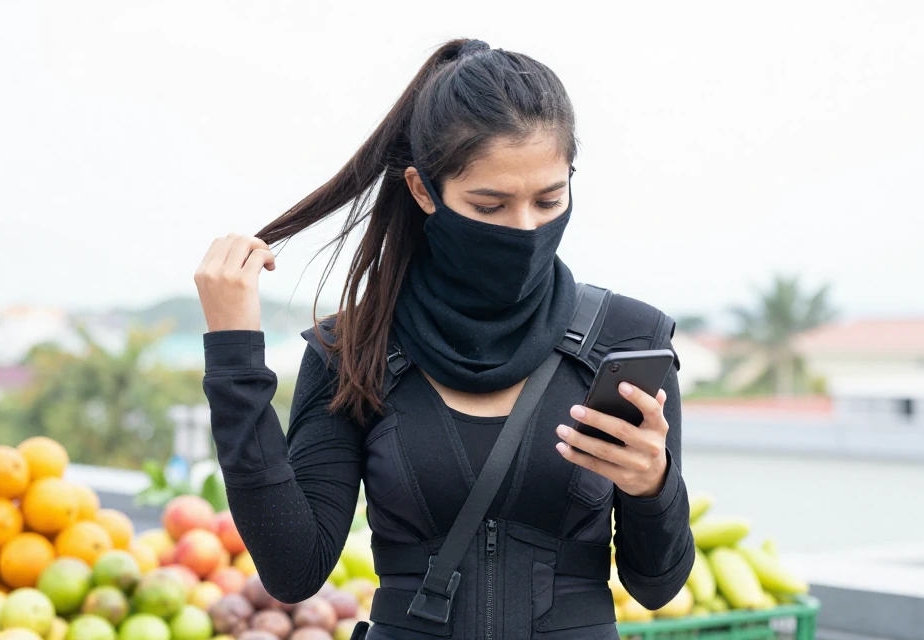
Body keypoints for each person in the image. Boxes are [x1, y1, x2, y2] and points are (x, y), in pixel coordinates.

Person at [195, 38, 695, 640]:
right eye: (489, 205)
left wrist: (653, 486)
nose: (526, 228)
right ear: (423, 190)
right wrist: (233, 356)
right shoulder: (353, 351)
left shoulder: (626, 341)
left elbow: (657, 583)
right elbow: (294, 570)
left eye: (549, 199)